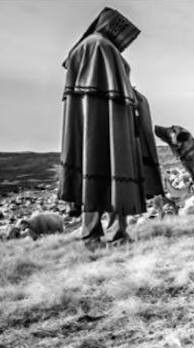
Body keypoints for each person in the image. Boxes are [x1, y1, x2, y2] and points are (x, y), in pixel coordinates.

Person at [58, 7, 163, 248]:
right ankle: (117, 234)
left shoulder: (82, 48)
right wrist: (138, 98)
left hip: (86, 127)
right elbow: (121, 91)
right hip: (114, 123)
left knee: (90, 177)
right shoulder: (105, 47)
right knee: (118, 172)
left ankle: (91, 235)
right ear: (114, 27)